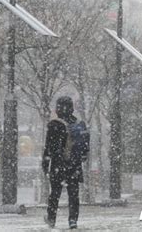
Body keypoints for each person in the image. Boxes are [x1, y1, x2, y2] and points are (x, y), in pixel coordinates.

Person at [42, 96, 84, 229]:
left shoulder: (54, 125)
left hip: (58, 165)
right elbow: (84, 148)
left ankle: (51, 218)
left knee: (55, 194)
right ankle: (73, 220)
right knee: (73, 195)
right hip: (74, 165)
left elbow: (48, 147)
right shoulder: (77, 124)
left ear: (58, 108)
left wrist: (45, 162)